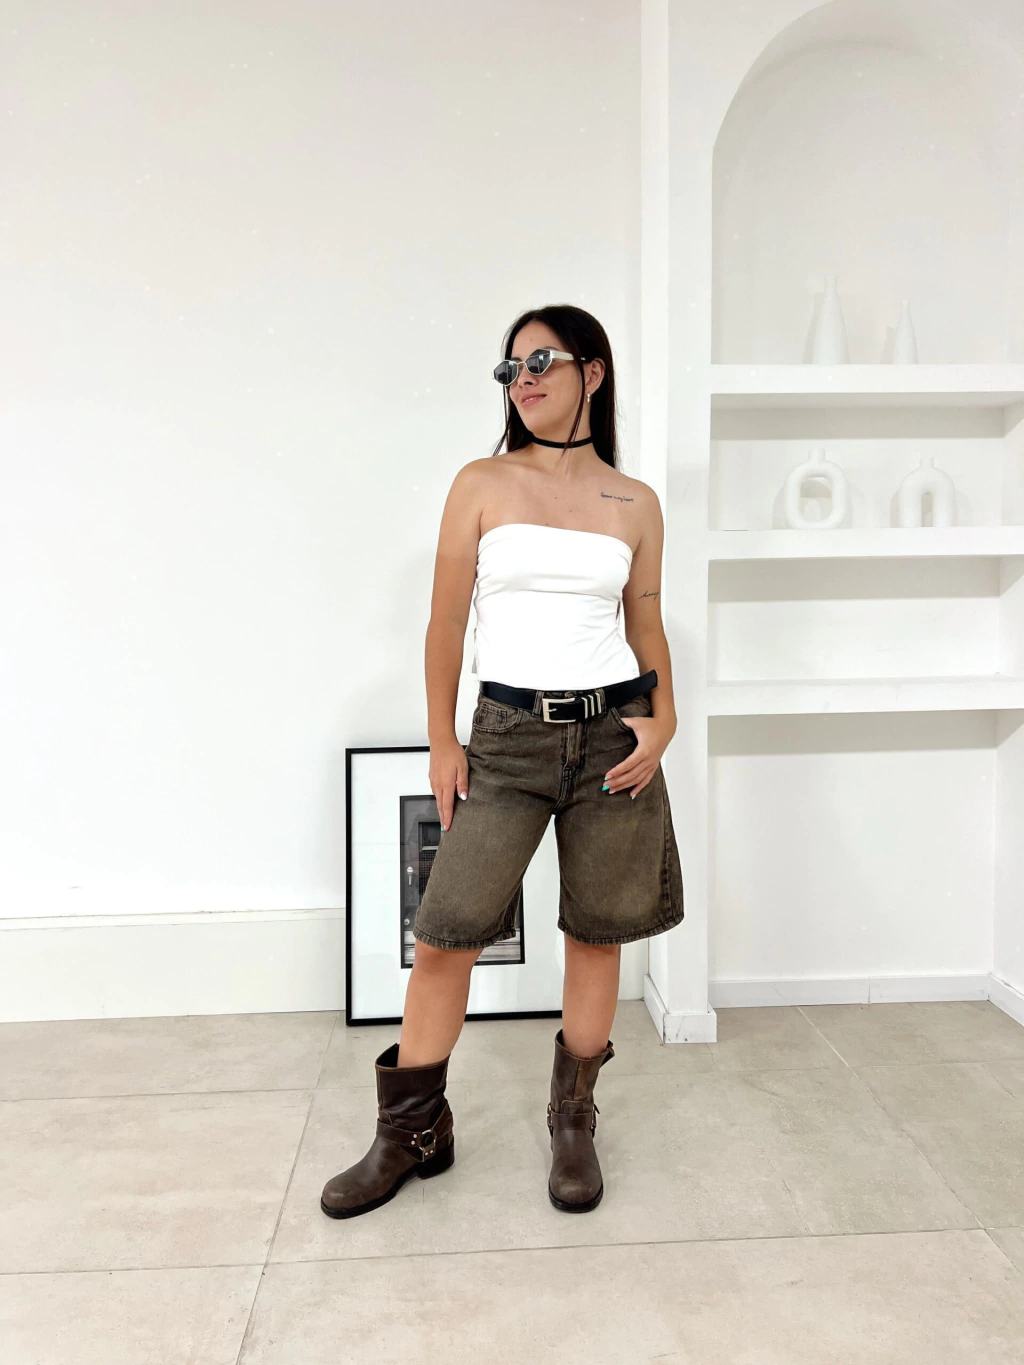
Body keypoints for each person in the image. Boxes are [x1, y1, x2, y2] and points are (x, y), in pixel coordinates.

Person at [321, 304, 684, 1220]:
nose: (522, 379)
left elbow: (644, 623)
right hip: (508, 738)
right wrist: (444, 738)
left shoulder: (635, 502)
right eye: (511, 367)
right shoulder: (481, 482)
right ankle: (410, 1133)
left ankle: (574, 1122)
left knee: (596, 932)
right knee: (447, 931)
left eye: (541, 361)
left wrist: (665, 716)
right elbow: (447, 620)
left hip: (611, 740)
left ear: (593, 372)